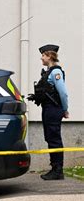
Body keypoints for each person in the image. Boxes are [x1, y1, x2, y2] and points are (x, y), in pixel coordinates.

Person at [28, 44, 69, 180]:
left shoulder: (56, 72)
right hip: (48, 108)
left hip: (54, 109)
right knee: (50, 138)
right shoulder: (48, 72)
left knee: (54, 139)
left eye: (43, 55)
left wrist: (65, 109)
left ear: (49, 56)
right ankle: (55, 168)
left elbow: (63, 93)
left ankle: (58, 171)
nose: (41, 58)